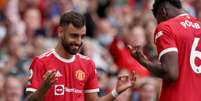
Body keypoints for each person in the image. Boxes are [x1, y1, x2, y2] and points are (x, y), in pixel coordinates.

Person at [25, 11, 136, 101]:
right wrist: (44, 88)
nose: (79, 41)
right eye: (74, 36)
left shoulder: (88, 64)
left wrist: (115, 92)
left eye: (82, 36)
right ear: (60, 32)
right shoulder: (41, 62)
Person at [129, 0, 201, 101]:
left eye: (158, 20)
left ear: (163, 12)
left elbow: (170, 73)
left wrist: (143, 61)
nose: (159, 24)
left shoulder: (166, 27)